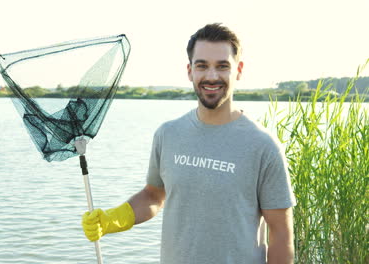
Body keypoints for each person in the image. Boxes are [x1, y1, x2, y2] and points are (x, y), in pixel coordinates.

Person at [82, 23, 296, 264]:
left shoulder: (263, 146)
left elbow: (281, 233)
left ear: (239, 70)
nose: (212, 76)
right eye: (202, 65)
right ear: (190, 71)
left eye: (222, 66)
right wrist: (114, 218)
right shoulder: (168, 134)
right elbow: (154, 195)